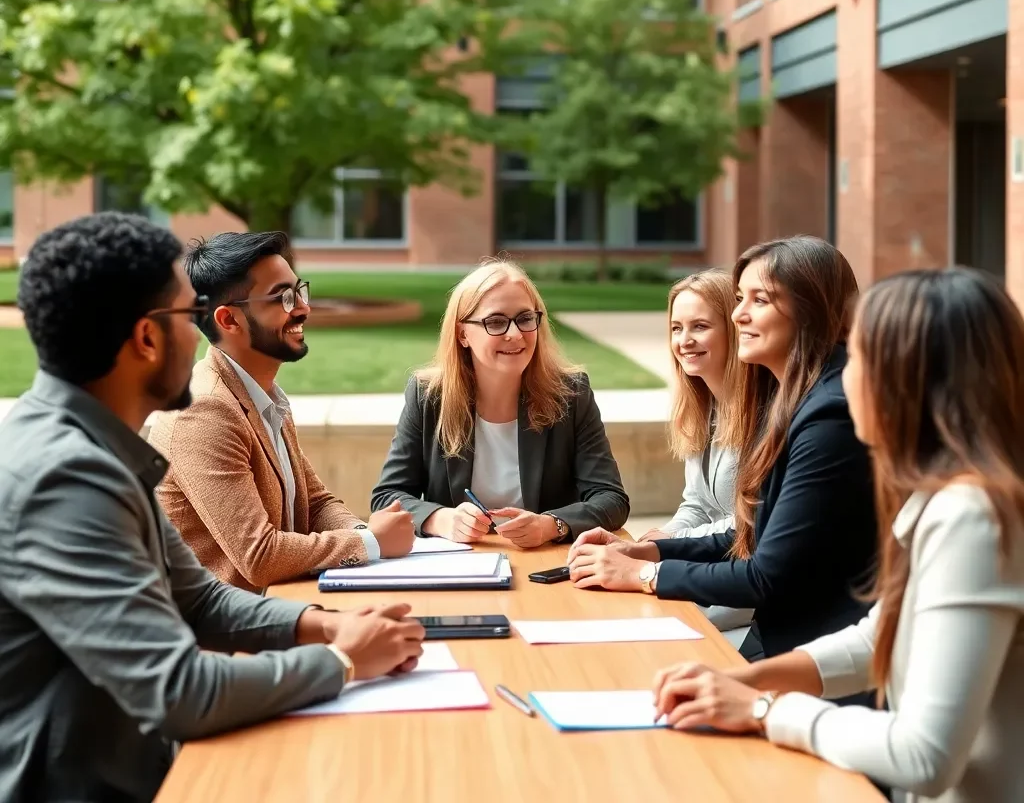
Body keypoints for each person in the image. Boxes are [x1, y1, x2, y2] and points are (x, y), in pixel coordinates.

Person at [0, 213, 424, 803]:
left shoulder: (92, 447)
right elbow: (179, 690)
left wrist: (330, 625)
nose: (202, 334)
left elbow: (198, 596)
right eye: (187, 316)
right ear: (148, 338)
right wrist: (341, 662)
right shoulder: (64, 478)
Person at [650, 268, 1024, 803]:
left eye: (858, 356)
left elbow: (925, 757)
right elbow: (879, 636)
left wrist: (765, 710)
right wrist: (747, 681)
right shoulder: (942, 496)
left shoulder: (973, 516)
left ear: (908, 380)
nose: (843, 376)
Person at [567, 236, 878, 662]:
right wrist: (650, 549)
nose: (739, 315)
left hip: (820, 657)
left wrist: (645, 573)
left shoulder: (828, 416)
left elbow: (765, 574)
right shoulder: (801, 400)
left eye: (759, 300)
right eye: (738, 299)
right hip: (785, 637)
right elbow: (750, 533)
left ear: (811, 310)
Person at [150, 232, 414, 592]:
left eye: (299, 291)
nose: (302, 307)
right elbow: (259, 556)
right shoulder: (205, 412)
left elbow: (316, 504)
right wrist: (370, 544)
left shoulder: (262, 394)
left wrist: (363, 532)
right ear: (229, 320)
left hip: (278, 608)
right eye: (282, 298)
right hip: (222, 637)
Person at [371, 259, 630, 547]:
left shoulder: (572, 394)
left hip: (546, 562)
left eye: (525, 318)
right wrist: (441, 519)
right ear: (462, 334)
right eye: (495, 322)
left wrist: (551, 525)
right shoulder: (428, 396)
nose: (515, 334)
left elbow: (611, 498)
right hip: (460, 564)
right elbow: (387, 498)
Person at [636, 269, 752, 646]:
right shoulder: (705, 408)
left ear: (732, 330)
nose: (684, 341)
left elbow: (747, 525)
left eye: (700, 326)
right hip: (715, 572)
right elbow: (699, 504)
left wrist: (665, 547)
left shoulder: (764, 418)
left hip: (748, 593)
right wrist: (665, 534)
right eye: (676, 328)